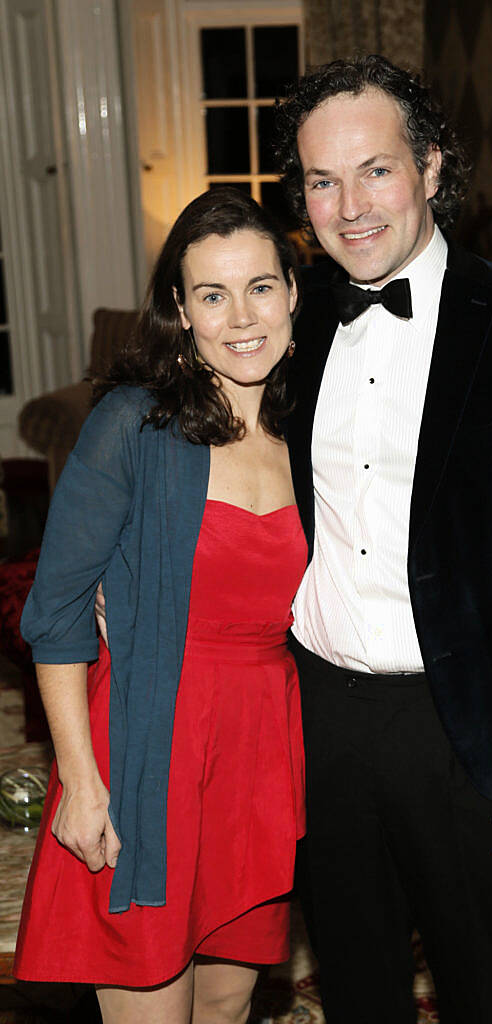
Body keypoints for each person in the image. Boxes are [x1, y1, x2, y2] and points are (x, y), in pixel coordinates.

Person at [273, 55, 492, 1023]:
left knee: (485, 995)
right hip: (321, 720)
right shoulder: (290, 318)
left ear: (430, 166)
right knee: (356, 990)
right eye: (321, 179)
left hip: (472, 731)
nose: (349, 205)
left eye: (375, 169)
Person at [15, 188, 306, 1024]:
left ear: (292, 289)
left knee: (225, 1004)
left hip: (259, 754)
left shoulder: (318, 433)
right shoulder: (132, 426)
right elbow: (58, 611)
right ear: (181, 309)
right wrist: (82, 780)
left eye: (260, 285)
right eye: (212, 294)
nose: (240, 315)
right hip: (152, 744)